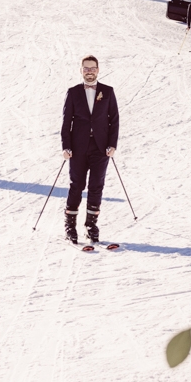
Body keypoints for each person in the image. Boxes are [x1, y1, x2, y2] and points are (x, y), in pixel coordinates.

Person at [59, 55, 119, 246]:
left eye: (93, 68)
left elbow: (114, 120)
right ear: (81, 70)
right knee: (76, 185)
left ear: (98, 70)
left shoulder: (108, 92)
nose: (89, 71)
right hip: (77, 148)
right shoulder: (73, 92)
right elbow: (66, 122)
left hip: (101, 148)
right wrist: (66, 146)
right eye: (86, 68)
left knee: (96, 186)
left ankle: (91, 226)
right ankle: (70, 227)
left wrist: (112, 144)